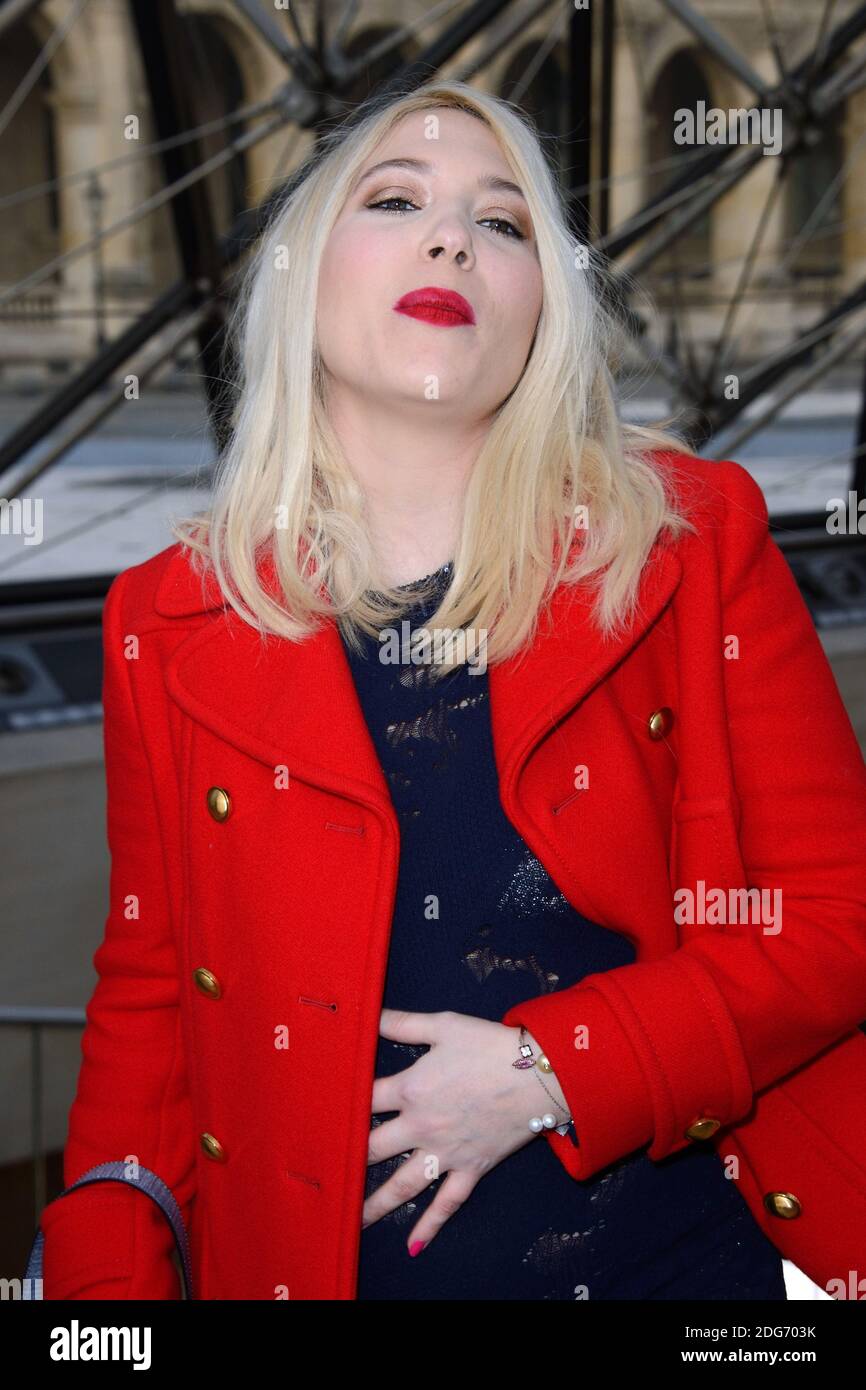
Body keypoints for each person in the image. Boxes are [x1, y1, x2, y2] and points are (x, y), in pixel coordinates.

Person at [41, 79, 866, 1301]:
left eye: (504, 222)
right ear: (299, 276)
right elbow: (153, 1005)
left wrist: (552, 1067)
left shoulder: (688, 545)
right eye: (395, 199)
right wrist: (98, 1294)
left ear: (543, 308)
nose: (451, 239)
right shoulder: (164, 621)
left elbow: (833, 921)